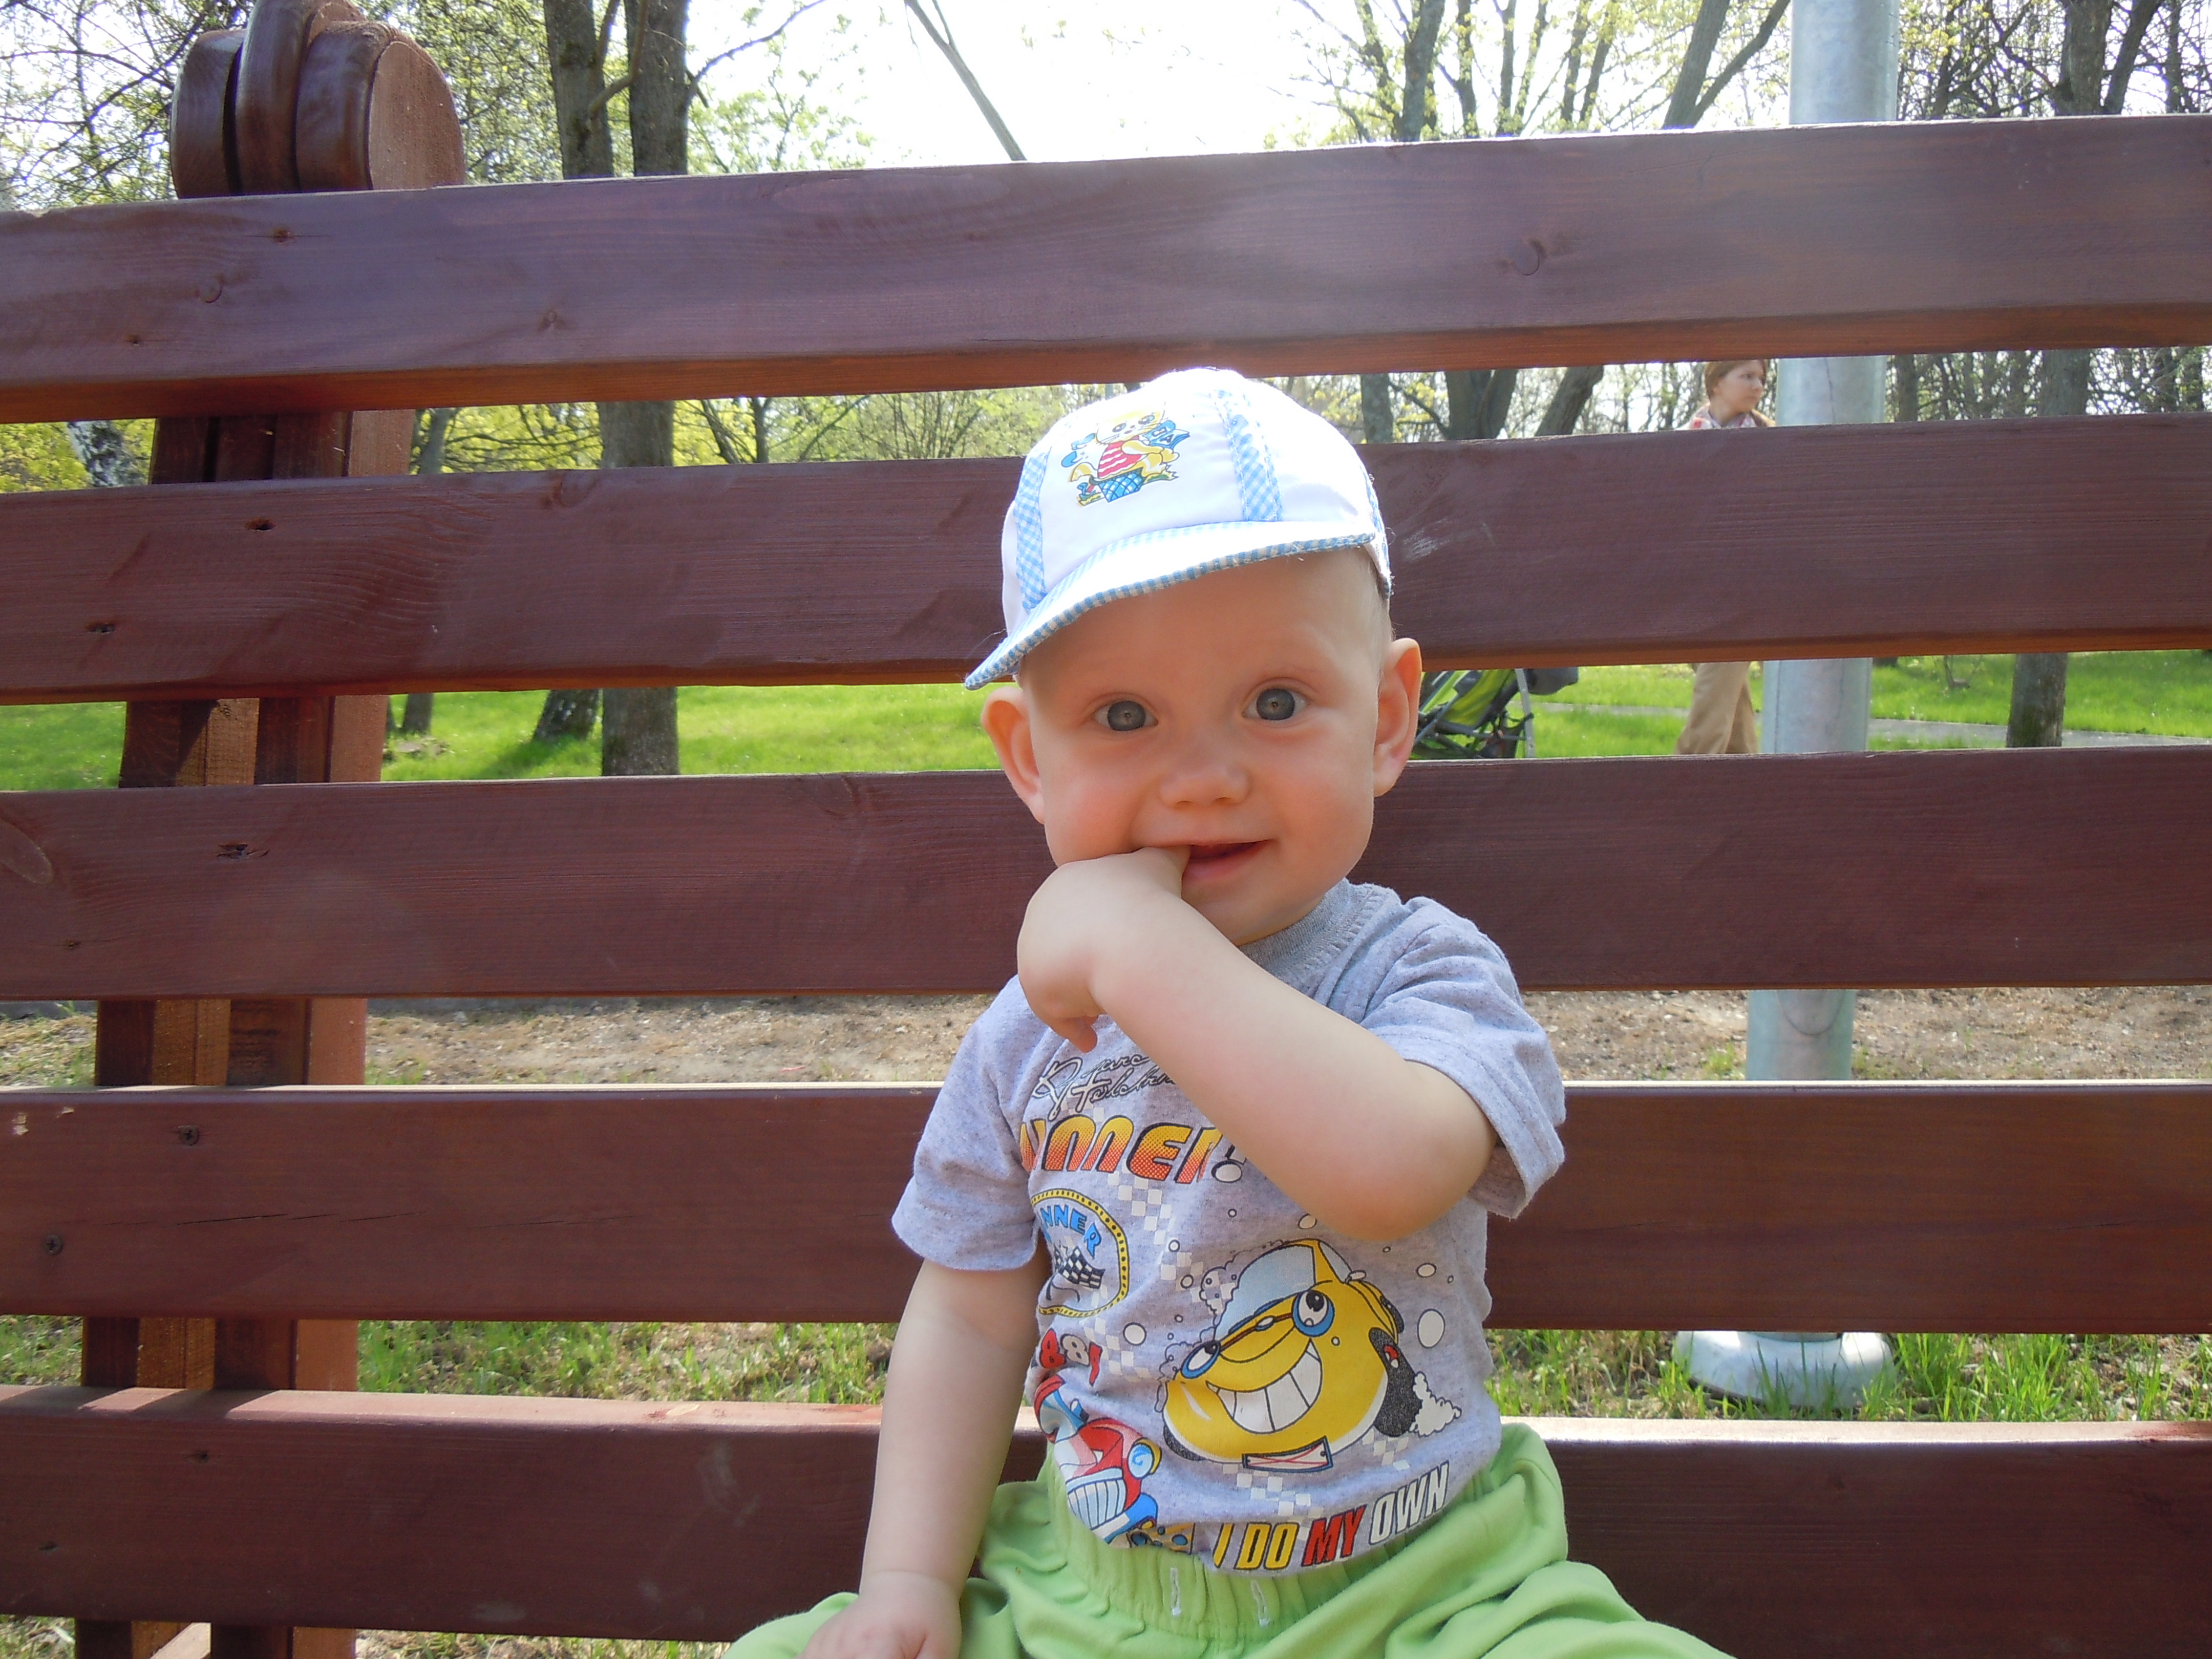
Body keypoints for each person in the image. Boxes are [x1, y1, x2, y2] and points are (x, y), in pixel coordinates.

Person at [731, 370, 1729, 1659]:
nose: (1205, 777)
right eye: (1124, 716)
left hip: (1432, 1593)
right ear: (1030, 758)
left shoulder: (1420, 972)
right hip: (1089, 1597)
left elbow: (1390, 1170)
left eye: (1276, 701)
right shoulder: (1027, 1039)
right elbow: (972, 1310)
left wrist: (1140, 948)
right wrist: (911, 1580)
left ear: (1384, 719)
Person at [1674, 359, 1772, 757]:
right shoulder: (1680, 443)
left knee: (1712, 710)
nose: (1758, 386)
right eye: (1747, 376)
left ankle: (1685, 783)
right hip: (1692, 589)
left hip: (1745, 592)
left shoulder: (1770, 442)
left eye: (1762, 378)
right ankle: (1746, 788)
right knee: (1733, 717)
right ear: (1716, 382)